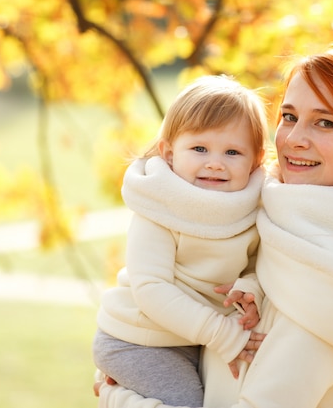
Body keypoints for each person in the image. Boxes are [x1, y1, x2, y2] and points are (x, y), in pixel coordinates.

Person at [96, 44, 333, 408]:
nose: (293, 140)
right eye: (289, 117)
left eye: (325, 122)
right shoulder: (288, 231)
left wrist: (120, 399)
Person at [92, 75, 269, 407]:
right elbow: (151, 288)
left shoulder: (253, 206)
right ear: (169, 153)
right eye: (199, 148)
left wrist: (252, 286)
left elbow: (262, 265)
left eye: (232, 151)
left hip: (193, 340)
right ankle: (115, 398)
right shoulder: (159, 208)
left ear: (256, 160)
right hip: (138, 339)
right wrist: (221, 333)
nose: (215, 162)